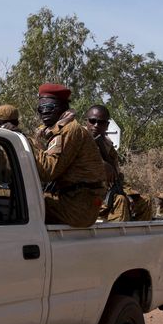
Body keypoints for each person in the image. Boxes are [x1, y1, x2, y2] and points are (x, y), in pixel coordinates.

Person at [30, 83, 106, 227]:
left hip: (78, 206)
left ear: (63, 107)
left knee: (21, 205)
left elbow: (47, 171)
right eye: (41, 109)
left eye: (49, 107)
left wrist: (26, 141)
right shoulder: (58, 130)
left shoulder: (70, 130)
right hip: (73, 200)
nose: (44, 112)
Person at [84, 105, 129, 222]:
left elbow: (115, 173)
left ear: (107, 125)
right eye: (92, 121)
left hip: (104, 190)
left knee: (142, 202)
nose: (96, 125)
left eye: (101, 122)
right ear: (86, 122)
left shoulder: (108, 146)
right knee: (120, 201)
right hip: (83, 192)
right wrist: (101, 163)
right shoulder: (78, 138)